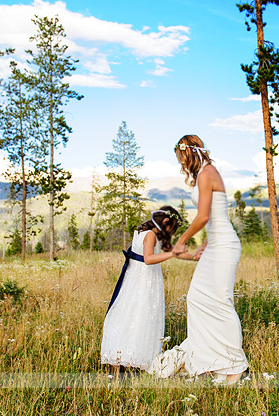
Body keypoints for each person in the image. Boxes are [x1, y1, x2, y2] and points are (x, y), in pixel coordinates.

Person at [162, 134, 249, 382]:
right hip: (216, 245)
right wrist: (205, 246)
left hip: (225, 247)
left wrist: (181, 241)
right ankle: (213, 360)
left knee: (220, 302)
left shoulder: (208, 172)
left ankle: (234, 366)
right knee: (197, 298)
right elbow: (218, 214)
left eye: (181, 157)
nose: (181, 163)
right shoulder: (205, 173)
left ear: (188, 152)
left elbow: (203, 217)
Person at [100, 206, 200, 374]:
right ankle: (135, 357)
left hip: (138, 278)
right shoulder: (151, 235)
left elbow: (171, 251)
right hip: (143, 279)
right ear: (165, 222)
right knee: (141, 315)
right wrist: (173, 255)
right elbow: (148, 259)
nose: (171, 232)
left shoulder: (143, 232)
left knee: (133, 315)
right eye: (172, 227)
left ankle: (130, 355)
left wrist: (194, 257)